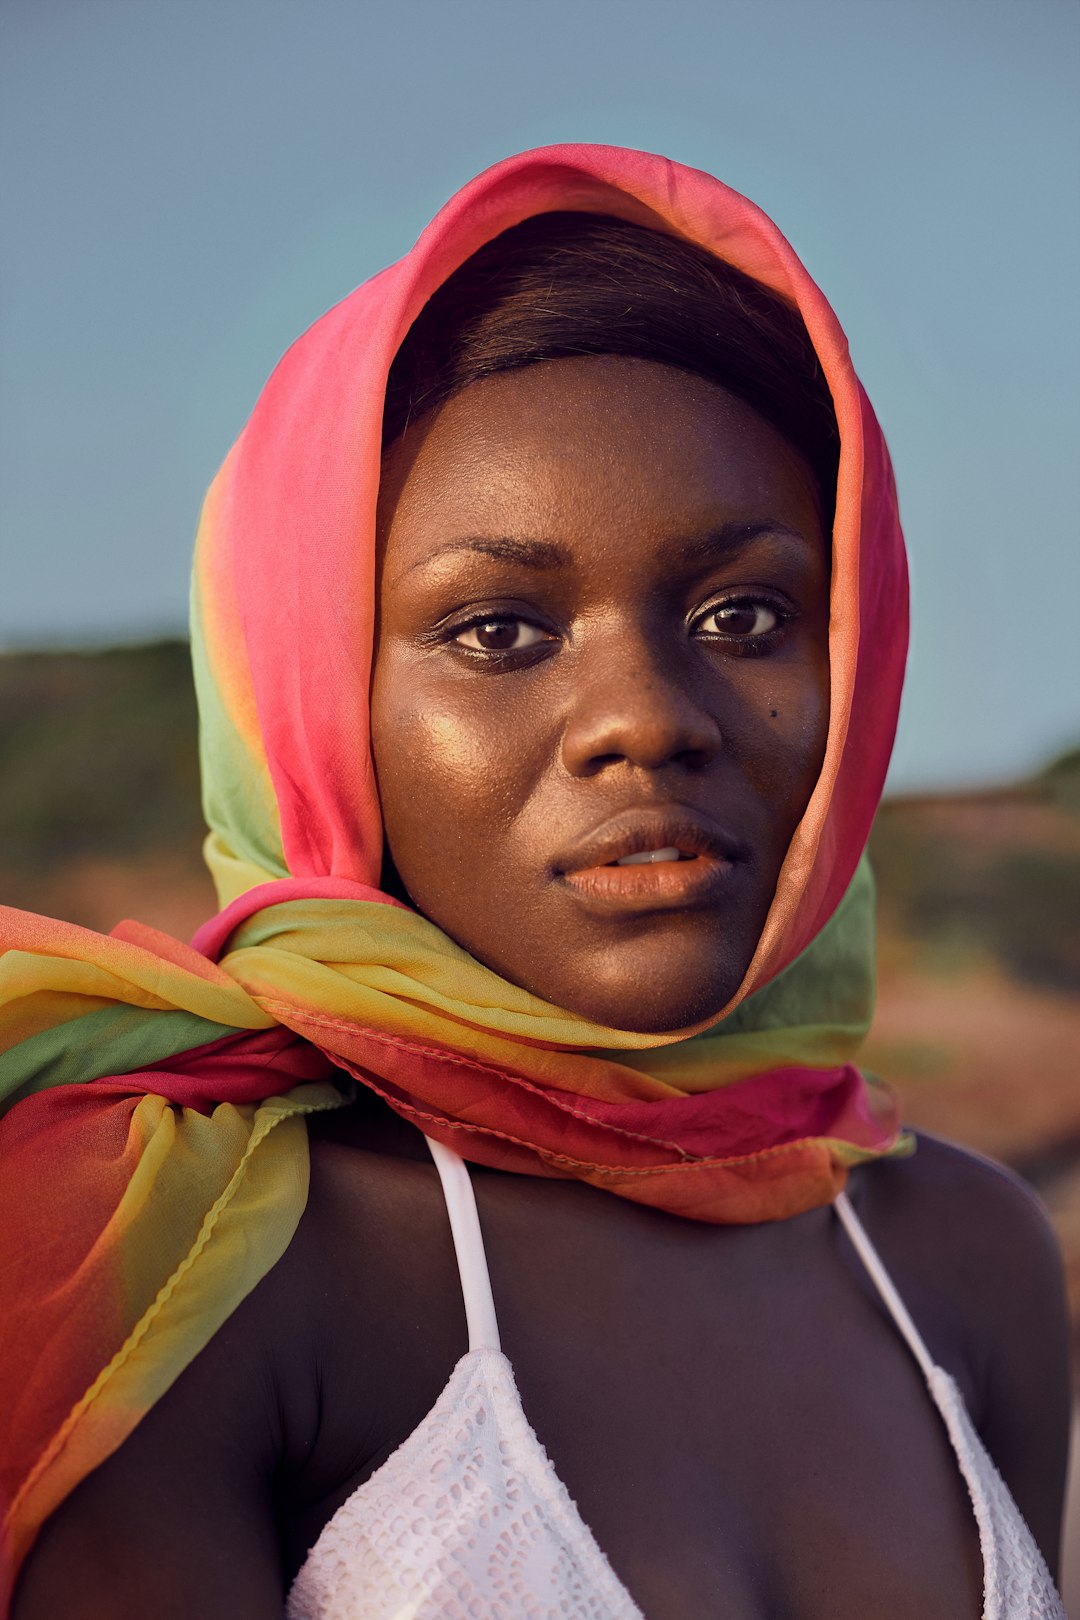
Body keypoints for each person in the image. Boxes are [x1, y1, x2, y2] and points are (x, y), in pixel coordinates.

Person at [0, 145, 1069, 1619]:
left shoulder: (965, 1255)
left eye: (747, 611)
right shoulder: (199, 1264)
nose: (648, 715)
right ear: (313, 703)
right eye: (499, 630)